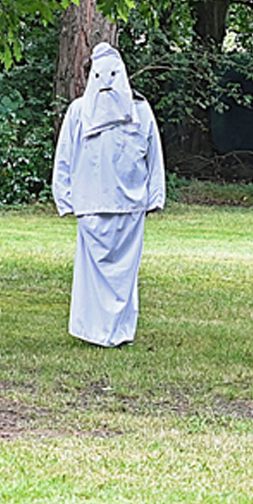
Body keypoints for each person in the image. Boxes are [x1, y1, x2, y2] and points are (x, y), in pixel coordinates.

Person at [52, 42, 165, 347]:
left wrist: (155, 196)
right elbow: (65, 156)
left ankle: (120, 330)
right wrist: (64, 197)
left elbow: (154, 155)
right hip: (92, 204)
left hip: (129, 205)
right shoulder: (79, 112)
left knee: (125, 273)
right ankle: (94, 330)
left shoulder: (140, 111)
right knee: (92, 276)